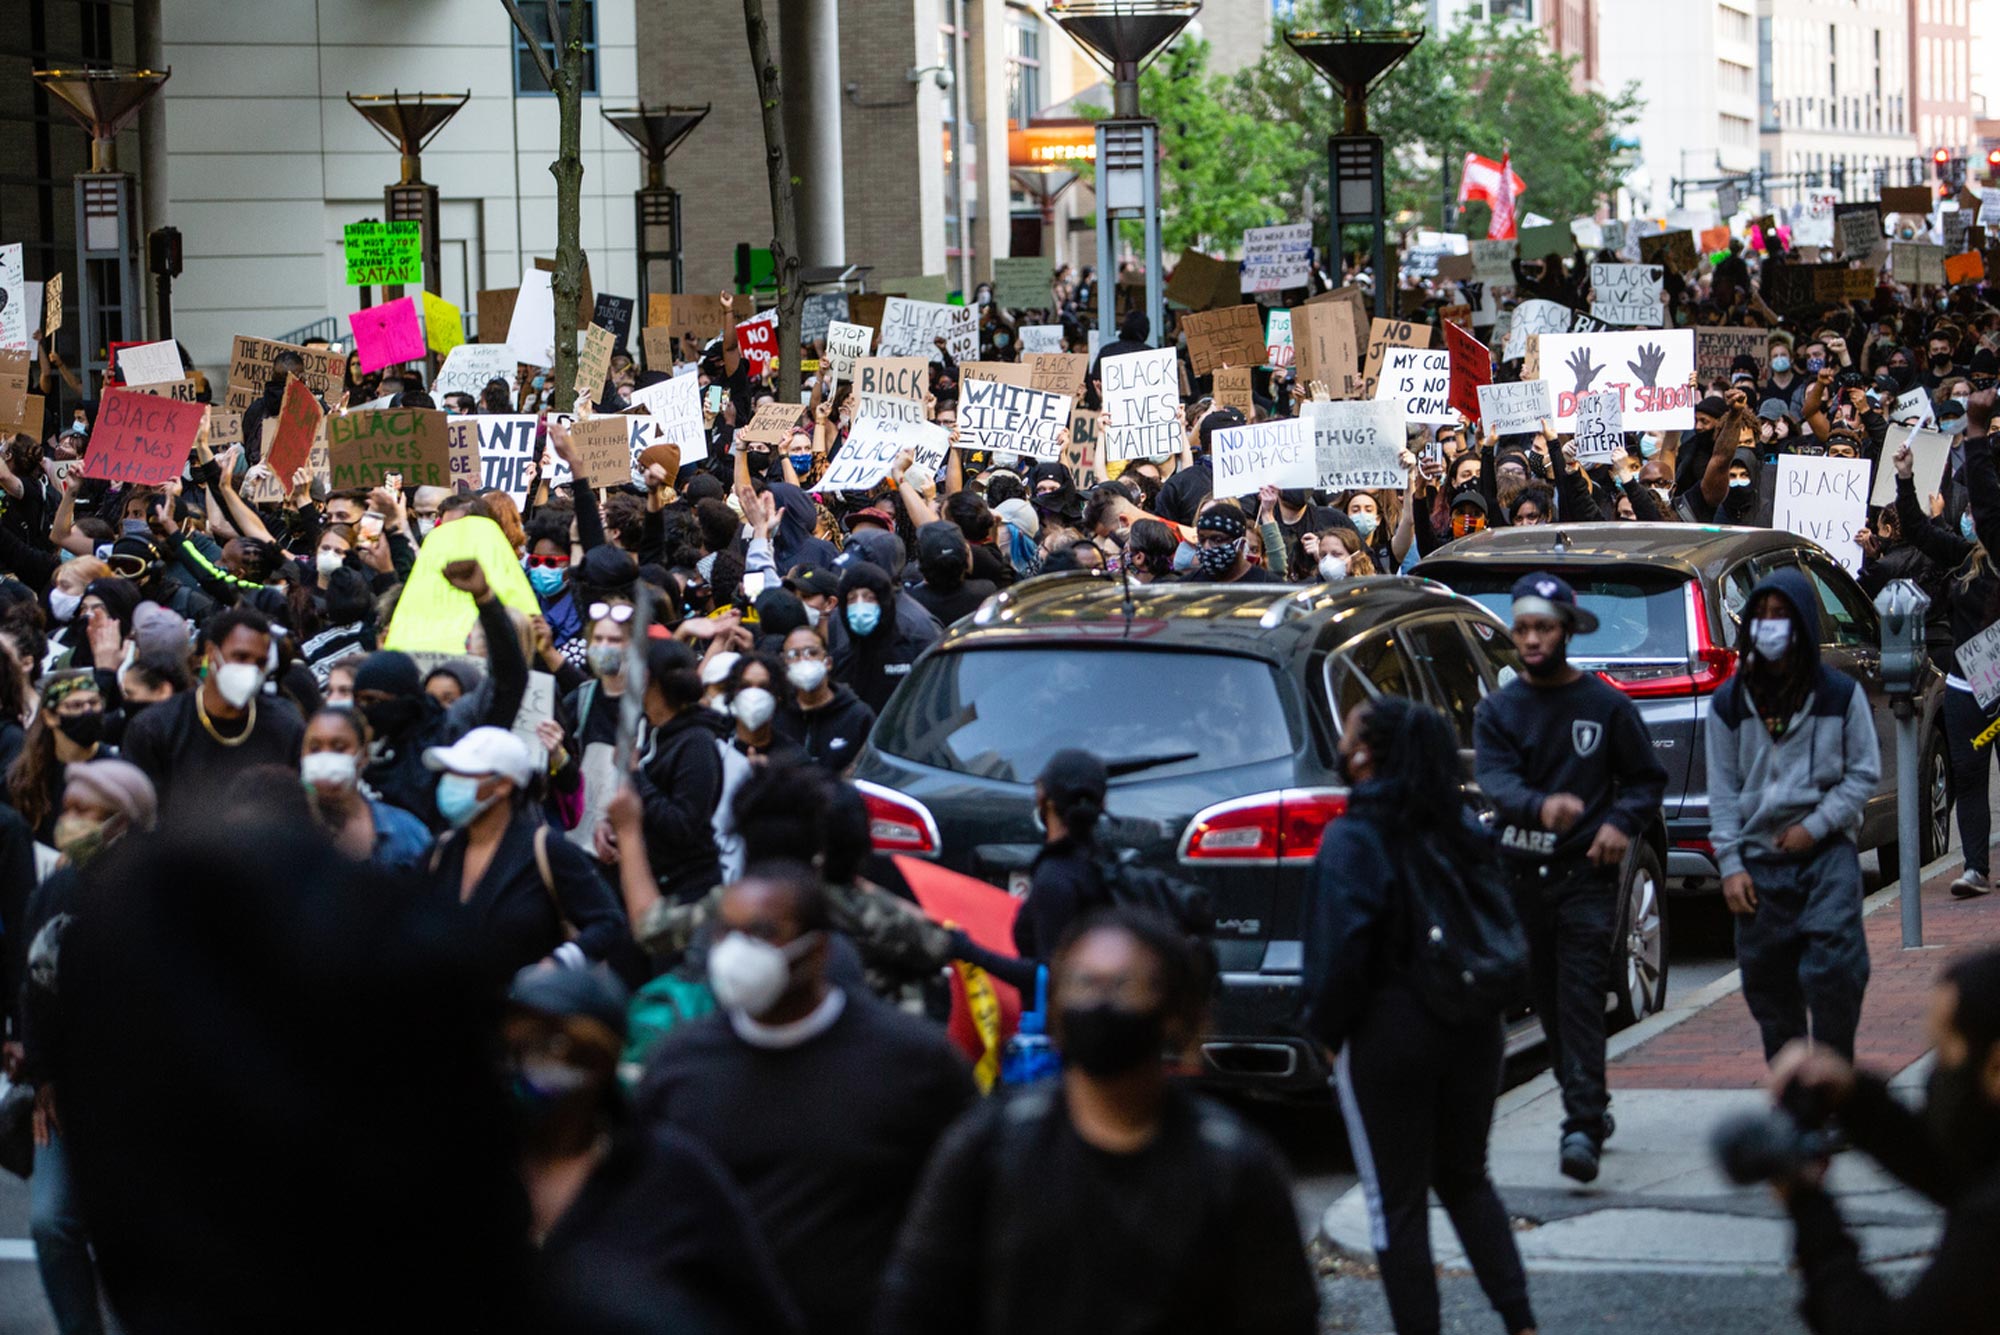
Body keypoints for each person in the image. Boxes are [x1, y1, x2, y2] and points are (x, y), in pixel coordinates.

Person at [875, 909, 1319, 1335]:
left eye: (1123, 987)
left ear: (1172, 1013)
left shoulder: (1234, 1166)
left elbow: (1282, 1318)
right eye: (1085, 984)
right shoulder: (989, 1146)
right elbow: (916, 1302)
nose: (1101, 1004)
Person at [636, 861, 974, 1335]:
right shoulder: (678, 1067)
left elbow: (971, 1207)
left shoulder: (914, 1065)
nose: (736, 951)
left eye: (761, 932)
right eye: (725, 932)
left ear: (817, 950)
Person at [1304, 698, 1536, 1335]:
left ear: (1368, 755)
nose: (1341, 748)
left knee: (1396, 1205)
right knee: (1465, 1178)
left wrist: (1325, 1031)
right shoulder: (1460, 827)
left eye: (1349, 737)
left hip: (1388, 1031)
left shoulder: (1353, 836)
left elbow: (1342, 949)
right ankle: (1521, 1321)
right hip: (1475, 1028)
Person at [1474, 573, 1666, 1184]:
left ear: (1566, 632)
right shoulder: (1498, 710)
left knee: (1581, 995)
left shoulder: (1605, 706)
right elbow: (1497, 782)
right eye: (1523, 628)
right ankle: (1587, 1096)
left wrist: (1619, 825)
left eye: (1543, 628)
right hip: (1520, 877)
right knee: (1548, 1003)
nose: (1531, 639)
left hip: (1587, 876)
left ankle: (1580, 1122)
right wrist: (1537, 806)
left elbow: (1645, 780)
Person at [504, 967, 802, 1335]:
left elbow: (760, 1309)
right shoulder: (459, 1165)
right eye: (511, 1048)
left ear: (601, 1061)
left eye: (549, 1046)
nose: (524, 1066)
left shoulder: (670, 1173)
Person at [1762, 947, 2000, 1332]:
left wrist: (1809, 1208)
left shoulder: (1987, 1228)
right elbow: (1957, 1174)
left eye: (1945, 1052)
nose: (1935, 1073)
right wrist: (1854, 1097)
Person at [1708, 570, 1880, 1062]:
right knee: (1768, 983)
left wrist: (1816, 825)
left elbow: (1863, 773)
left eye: (1781, 616)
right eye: (1760, 617)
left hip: (1826, 857)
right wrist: (1731, 865)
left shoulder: (1839, 695)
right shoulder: (1729, 704)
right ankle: (1794, 1094)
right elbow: (1721, 791)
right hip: (1760, 863)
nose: (1769, 627)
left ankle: (1833, 1079)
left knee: (1835, 969)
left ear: (1802, 623)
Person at [16, 759, 156, 1335]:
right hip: (69, 1091)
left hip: (148, 1094)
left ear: (126, 822)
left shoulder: (160, 893)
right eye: (70, 810)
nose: (72, 823)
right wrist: (42, 1074)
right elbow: (34, 984)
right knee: (52, 1221)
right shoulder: (57, 889)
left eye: (89, 813)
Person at [1883, 420, 2000, 897]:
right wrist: (1905, 479)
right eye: (1969, 511)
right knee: (1968, 775)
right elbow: (1916, 530)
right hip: (1965, 687)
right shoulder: (1962, 554)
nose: (1974, 518)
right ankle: (1975, 868)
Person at [422, 726, 629, 986]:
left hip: (524, 1012)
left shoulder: (546, 849)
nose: (450, 782)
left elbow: (608, 922)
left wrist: (559, 964)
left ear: (504, 785)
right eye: (449, 773)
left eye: (464, 774)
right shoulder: (441, 853)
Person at [119, 606, 305, 813]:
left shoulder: (285, 724)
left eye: (260, 663)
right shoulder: (156, 728)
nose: (250, 670)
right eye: (240, 657)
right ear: (210, 652)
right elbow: (141, 816)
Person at [298, 707, 431, 872]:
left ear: (364, 756)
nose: (325, 757)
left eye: (339, 748)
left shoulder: (406, 833)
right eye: (315, 748)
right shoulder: (279, 832)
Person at [1013, 749, 1108, 960]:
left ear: (1043, 798)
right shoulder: (1101, 864)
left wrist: (966, 950)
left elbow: (1048, 976)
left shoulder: (1054, 878)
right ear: (1102, 804)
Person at [772, 625, 874, 775]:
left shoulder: (858, 716)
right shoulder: (776, 714)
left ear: (828, 662)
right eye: (793, 655)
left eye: (812, 653)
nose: (803, 660)